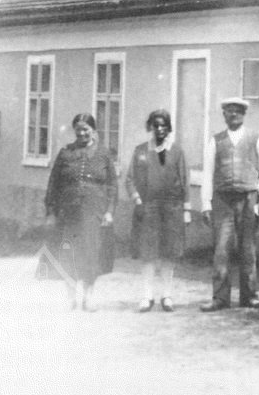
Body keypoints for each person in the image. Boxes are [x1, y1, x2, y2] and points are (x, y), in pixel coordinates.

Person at [200, 97, 259, 311]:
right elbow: (207, 173)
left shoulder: (256, 138)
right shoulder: (216, 141)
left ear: (244, 114)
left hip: (248, 198)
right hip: (222, 200)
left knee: (248, 249)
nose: (233, 115)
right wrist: (206, 204)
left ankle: (249, 296)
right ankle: (220, 298)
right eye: (229, 111)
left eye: (238, 111)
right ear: (224, 115)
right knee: (221, 249)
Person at [45, 113, 118, 311]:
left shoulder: (103, 155)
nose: (82, 133)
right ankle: (71, 298)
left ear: (93, 131)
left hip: (94, 213)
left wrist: (109, 212)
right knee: (68, 253)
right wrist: (51, 211)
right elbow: (53, 184)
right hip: (68, 213)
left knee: (90, 254)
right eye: (78, 130)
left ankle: (88, 298)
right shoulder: (65, 153)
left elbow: (112, 186)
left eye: (86, 129)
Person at [125, 110, 192, 313]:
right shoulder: (141, 151)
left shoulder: (177, 152)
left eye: (164, 125)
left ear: (169, 128)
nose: (160, 129)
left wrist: (186, 210)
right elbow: (129, 179)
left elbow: (185, 181)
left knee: (168, 253)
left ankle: (166, 295)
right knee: (148, 253)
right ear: (151, 127)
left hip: (172, 208)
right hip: (148, 207)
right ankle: (147, 296)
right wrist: (137, 200)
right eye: (156, 125)